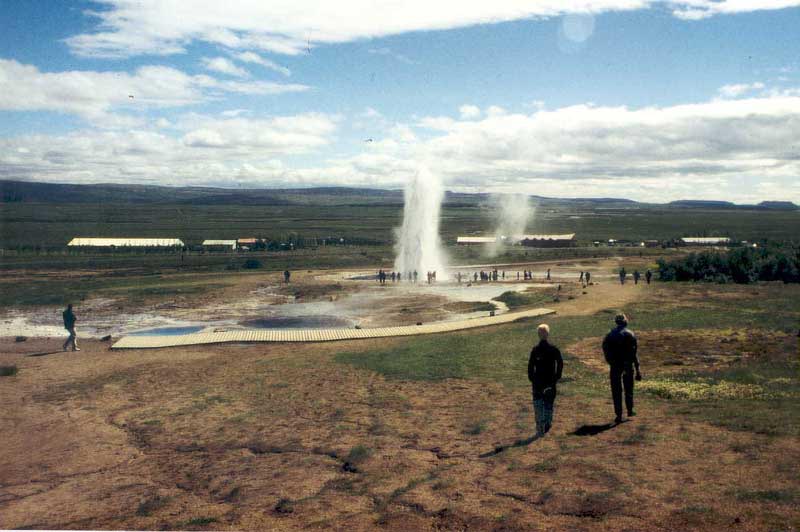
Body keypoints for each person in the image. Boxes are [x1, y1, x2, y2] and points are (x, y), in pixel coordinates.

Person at [602, 314, 642, 424]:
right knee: (629, 388)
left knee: (616, 390)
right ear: (625, 322)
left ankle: (618, 414)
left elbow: (605, 350)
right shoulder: (630, 334)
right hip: (627, 365)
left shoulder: (609, 335)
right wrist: (638, 369)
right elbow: (634, 354)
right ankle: (630, 410)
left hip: (615, 366)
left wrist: (611, 362)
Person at [528, 324, 563, 436]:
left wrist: (532, 378)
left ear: (538, 335)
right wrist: (557, 376)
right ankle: (547, 424)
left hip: (538, 382)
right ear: (548, 334)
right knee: (548, 404)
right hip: (550, 382)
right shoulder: (554, 349)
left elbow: (530, 366)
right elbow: (560, 363)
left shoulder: (535, 350)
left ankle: (540, 427)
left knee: (538, 404)